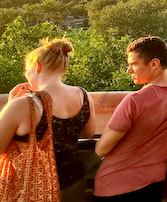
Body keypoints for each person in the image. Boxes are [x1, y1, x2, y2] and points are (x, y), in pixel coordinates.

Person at [94, 36, 167, 201]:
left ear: (154, 64)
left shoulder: (134, 101)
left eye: (133, 64)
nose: (128, 70)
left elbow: (101, 149)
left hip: (115, 184)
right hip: (152, 182)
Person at [0, 38, 96, 202]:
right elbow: (88, 133)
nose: (26, 76)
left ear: (37, 66)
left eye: (27, 70)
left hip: (34, 187)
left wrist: (10, 103)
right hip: (74, 181)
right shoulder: (84, 96)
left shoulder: (24, 104)